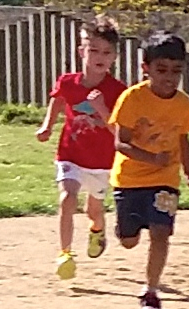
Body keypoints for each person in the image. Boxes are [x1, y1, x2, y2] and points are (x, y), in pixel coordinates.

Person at [109, 31, 189, 309]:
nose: (169, 77)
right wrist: (151, 157)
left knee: (161, 233)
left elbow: (183, 139)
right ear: (146, 68)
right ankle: (123, 228)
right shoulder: (132, 98)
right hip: (130, 180)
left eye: (176, 71)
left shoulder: (184, 104)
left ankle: (150, 292)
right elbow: (120, 143)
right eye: (161, 70)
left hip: (165, 180)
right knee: (129, 240)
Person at [35, 17, 127, 280]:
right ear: (81, 51)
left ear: (115, 57)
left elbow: (118, 131)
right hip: (70, 155)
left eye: (107, 52)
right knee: (68, 198)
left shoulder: (118, 90)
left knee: (93, 211)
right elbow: (58, 100)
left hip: (102, 162)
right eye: (94, 50)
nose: (100, 57)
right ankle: (65, 253)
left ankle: (97, 230)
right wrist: (47, 126)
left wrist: (101, 109)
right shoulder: (68, 82)